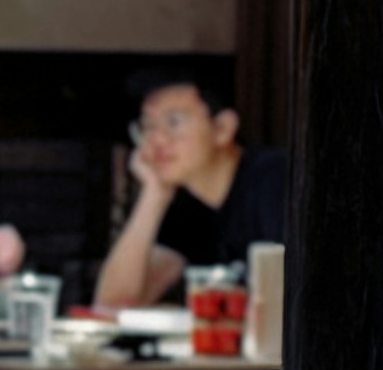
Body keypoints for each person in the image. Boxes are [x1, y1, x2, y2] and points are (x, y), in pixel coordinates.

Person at [93, 66, 286, 310]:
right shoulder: (187, 205)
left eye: (174, 122)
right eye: (148, 127)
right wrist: (155, 193)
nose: (157, 140)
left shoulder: (276, 180)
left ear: (222, 129)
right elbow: (112, 304)